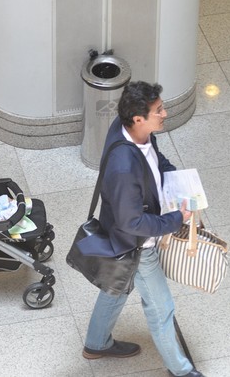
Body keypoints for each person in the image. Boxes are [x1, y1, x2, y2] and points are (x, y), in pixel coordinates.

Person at [81, 81, 204, 377]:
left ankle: (96, 344)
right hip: (138, 245)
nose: (165, 113)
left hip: (125, 238)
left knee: (117, 288)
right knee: (161, 309)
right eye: (158, 110)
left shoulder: (136, 131)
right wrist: (177, 219)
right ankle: (181, 370)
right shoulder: (124, 168)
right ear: (138, 118)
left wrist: (175, 179)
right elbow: (132, 223)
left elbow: (156, 162)